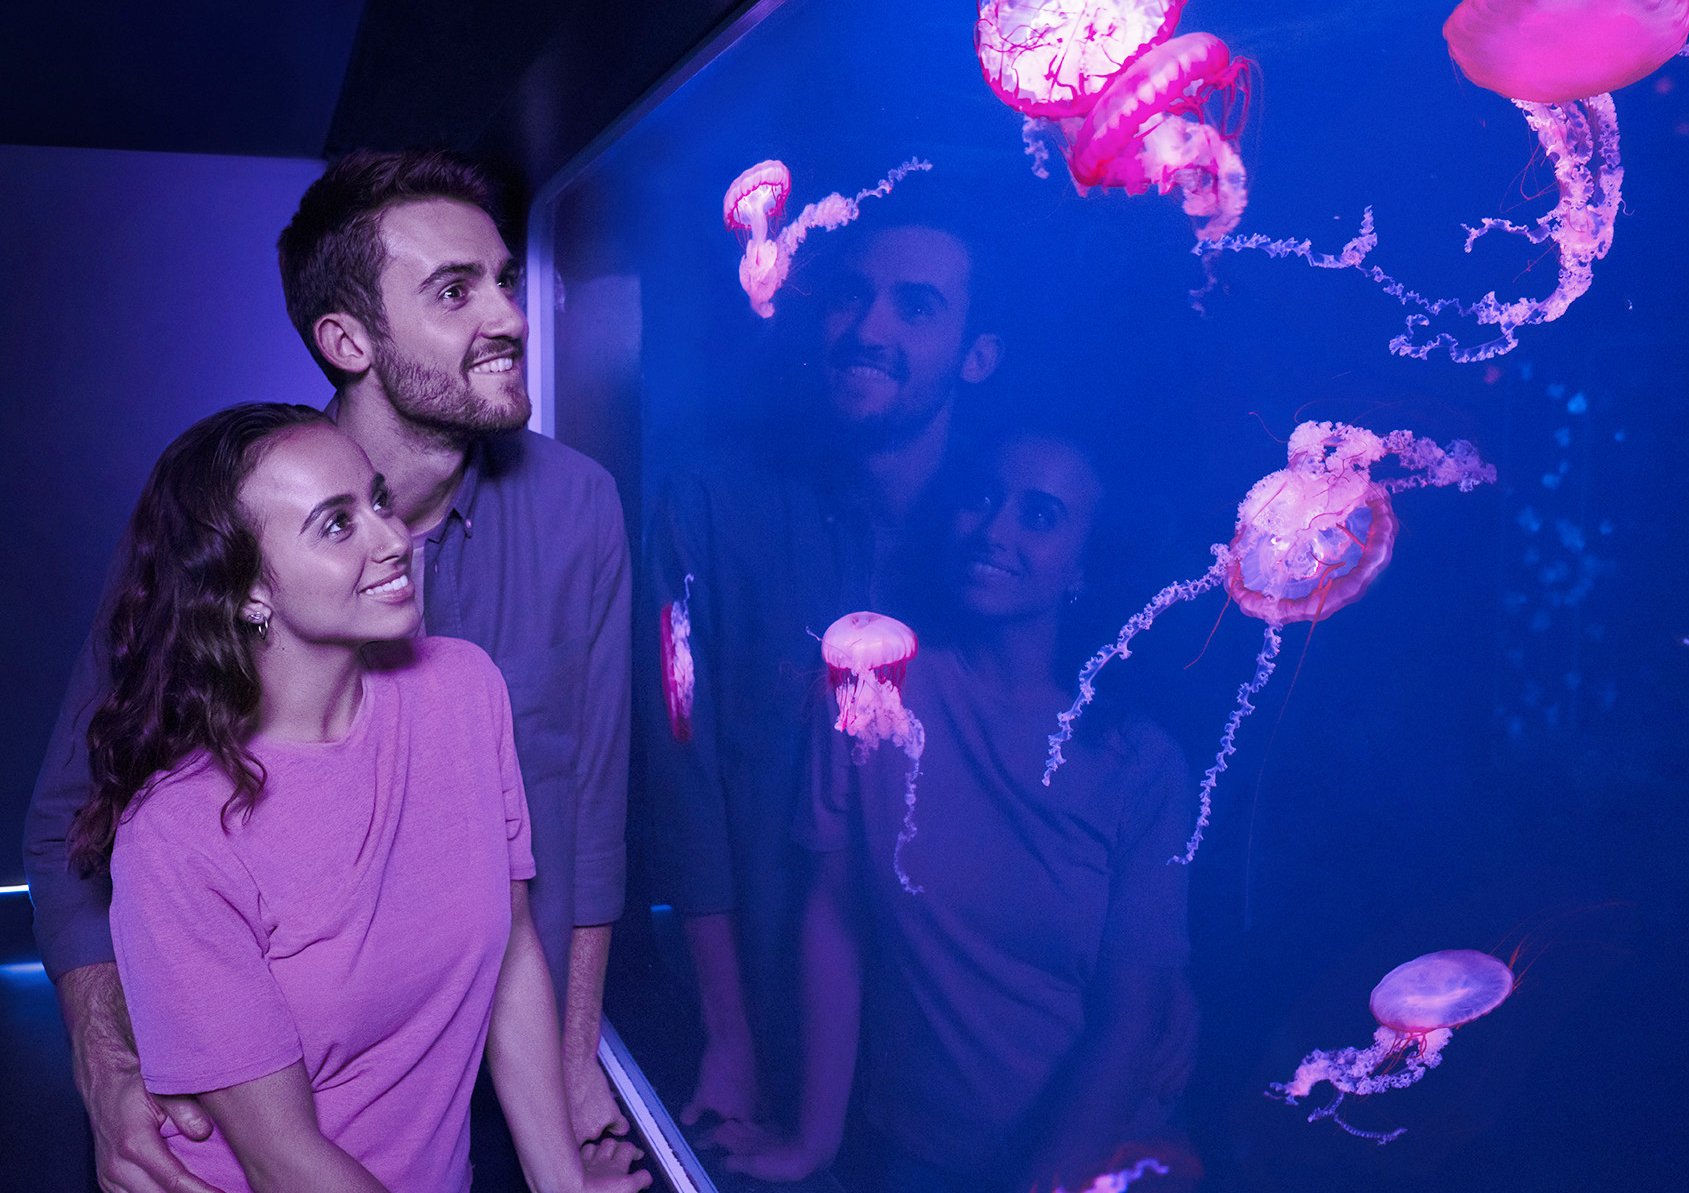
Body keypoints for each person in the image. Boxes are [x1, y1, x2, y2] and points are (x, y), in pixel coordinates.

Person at [23, 150, 635, 1192]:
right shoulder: (215, 529)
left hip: (469, 1085)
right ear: (346, 339)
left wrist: (577, 1075)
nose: (510, 316)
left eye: (501, 278)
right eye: (455, 290)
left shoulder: (566, 522)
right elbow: (78, 821)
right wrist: (106, 1062)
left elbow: (588, 811)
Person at [72, 404, 642, 1192]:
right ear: (245, 593)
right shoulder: (174, 835)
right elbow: (285, 1163)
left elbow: (510, 953)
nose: (391, 537)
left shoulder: (465, 690)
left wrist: (565, 1185)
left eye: (377, 500)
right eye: (335, 525)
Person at [726, 429, 1198, 1191]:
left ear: (1085, 564)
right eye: (983, 497)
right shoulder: (869, 685)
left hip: (1104, 1161)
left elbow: (1130, 1017)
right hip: (912, 1148)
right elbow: (834, 912)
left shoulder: (1138, 764)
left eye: (1039, 515)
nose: (995, 530)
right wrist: (815, 1138)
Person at [641, 210, 1004, 1132]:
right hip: (762, 1001)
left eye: (915, 307)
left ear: (976, 356)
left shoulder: (999, 540)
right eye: (852, 296)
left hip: (957, 1042)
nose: (869, 329)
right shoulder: (710, 502)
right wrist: (728, 1032)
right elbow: (681, 772)